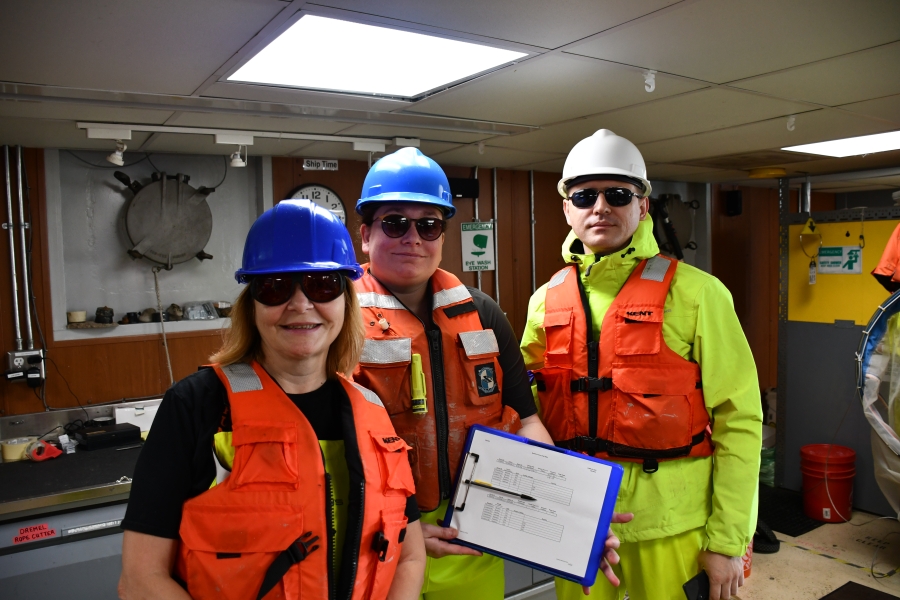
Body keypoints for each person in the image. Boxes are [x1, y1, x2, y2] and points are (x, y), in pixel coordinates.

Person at [351, 148, 626, 599]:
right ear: (365, 234)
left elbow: (527, 417)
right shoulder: (335, 319)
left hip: (469, 538)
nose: (413, 238)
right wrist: (408, 531)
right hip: (379, 541)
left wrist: (572, 517)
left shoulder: (482, 313)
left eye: (429, 224)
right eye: (395, 223)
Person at [119, 199, 425, 600]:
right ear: (252, 304)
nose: (300, 304)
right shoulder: (196, 407)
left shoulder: (370, 409)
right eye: (275, 287)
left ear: (345, 301)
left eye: (322, 285)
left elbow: (409, 557)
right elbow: (141, 580)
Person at [520, 130, 763, 600]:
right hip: (580, 525)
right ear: (566, 208)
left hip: (673, 529)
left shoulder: (698, 295)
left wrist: (729, 540)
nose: (600, 207)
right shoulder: (544, 302)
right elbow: (526, 413)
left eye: (618, 195)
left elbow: (741, 420)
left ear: (643, 205)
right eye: (585, 195)